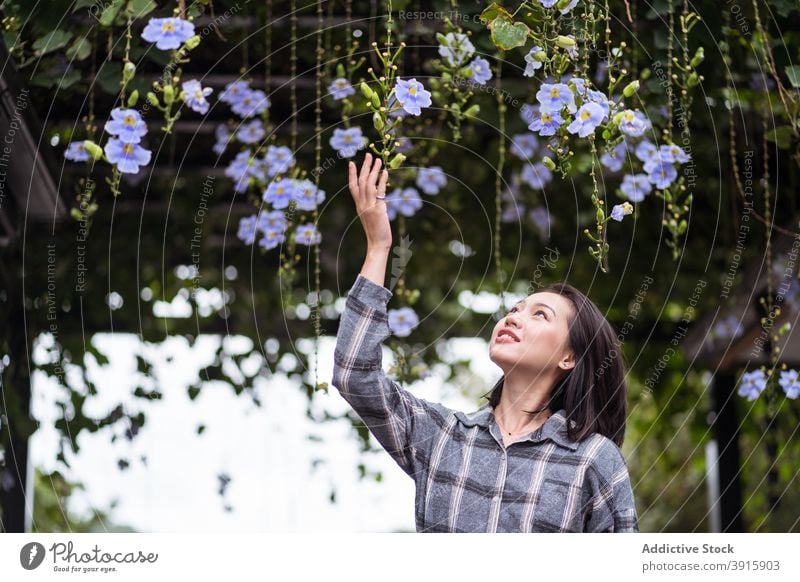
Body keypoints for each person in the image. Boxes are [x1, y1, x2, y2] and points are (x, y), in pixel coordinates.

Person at [332, 152, 639, 533]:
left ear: (569, 357)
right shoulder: (442, 437)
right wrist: (379, 246)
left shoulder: (594, 461)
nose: (513, 316)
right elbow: (354, 375)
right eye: (515, 308)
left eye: (540, 314)